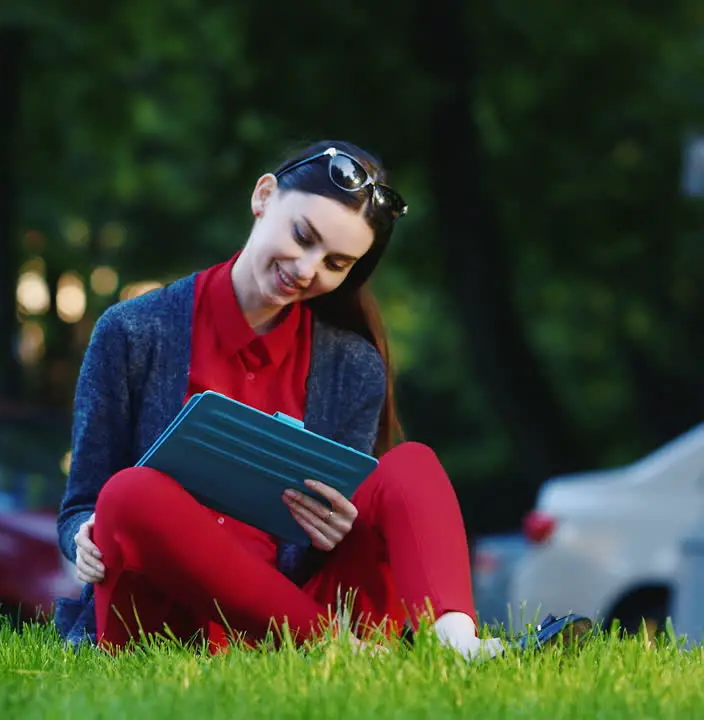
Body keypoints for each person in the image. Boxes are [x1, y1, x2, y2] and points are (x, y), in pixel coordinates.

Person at [52, 140, 575, 659]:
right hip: (167, 615)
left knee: (411, 463)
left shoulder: (352, 364)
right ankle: (341, 651)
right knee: (129, 493)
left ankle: (458, 646)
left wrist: (337, 528)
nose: (307, 270)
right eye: (303, 236)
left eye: (337, 262)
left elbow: (340, 520)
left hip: (295, 607)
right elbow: (82, 503)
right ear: (263, 197)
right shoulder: (133, 331)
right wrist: (83, 535)